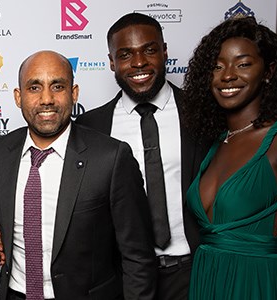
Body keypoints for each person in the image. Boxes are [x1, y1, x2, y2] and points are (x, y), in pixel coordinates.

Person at [0, 50, 157, 300]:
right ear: (18, 97)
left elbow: (137, 257)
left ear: (73, 94)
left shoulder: (111, 157)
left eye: (57, 86)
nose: (46, 99)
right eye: (34, 87)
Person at [180, 16, 277, 299]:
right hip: (207, 280)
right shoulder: (217, 143)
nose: (227, 75)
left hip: (257, 284)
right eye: (217, 66)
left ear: (269, 71)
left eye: (243, 64)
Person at [74, 13, 205, 299]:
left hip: (193, 272)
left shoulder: (201, 115)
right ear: (111, 62)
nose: (139, 63)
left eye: (149, 50)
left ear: (165, 51)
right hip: (122, 278)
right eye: (125, 54)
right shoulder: (91, 127)